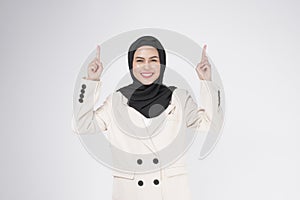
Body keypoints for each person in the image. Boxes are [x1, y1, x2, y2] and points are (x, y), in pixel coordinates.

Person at [72, 36, 222, 200]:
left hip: (171, 193)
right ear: (131, 64)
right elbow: (81, 125)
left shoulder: (179, 98)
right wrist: (91, 81)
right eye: (139, 60)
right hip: (130, 194)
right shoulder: (116, 102)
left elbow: (211, 124)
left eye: (153, 60)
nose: (147, 66)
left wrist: (206, 81)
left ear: (162, 63)